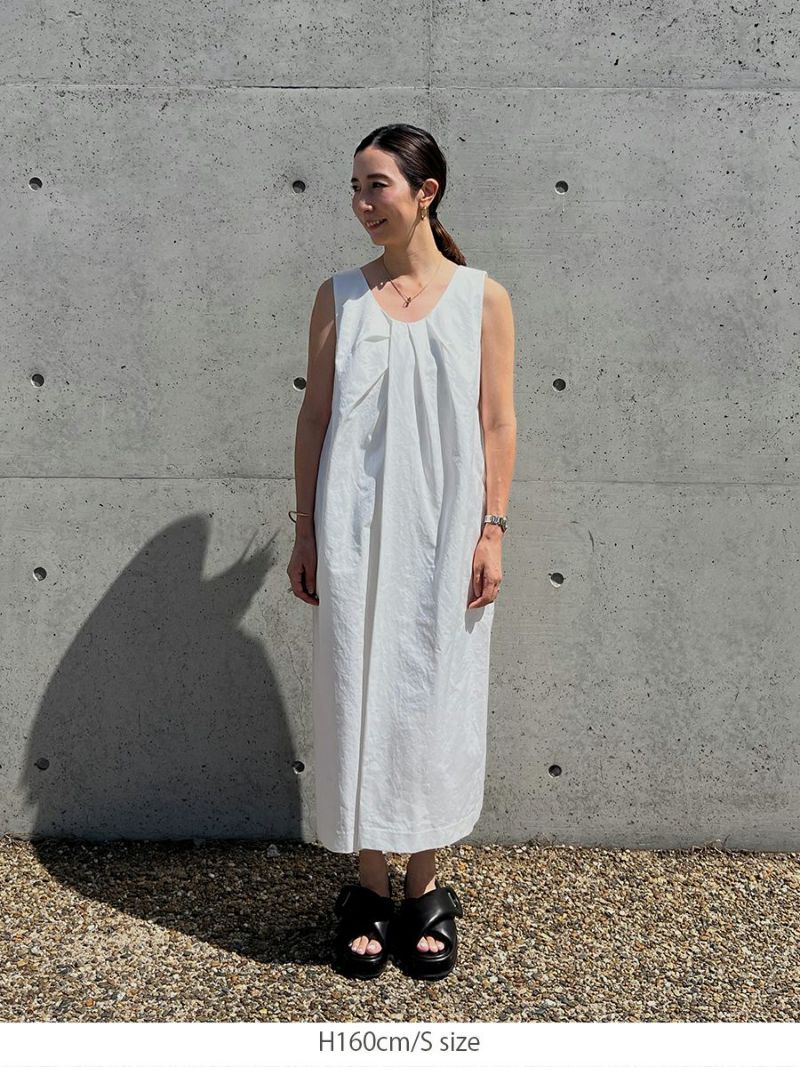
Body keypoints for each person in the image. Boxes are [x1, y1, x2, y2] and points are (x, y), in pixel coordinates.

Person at [287, 124, 516, 980]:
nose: (361, 203)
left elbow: (499, 421)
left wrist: (493, 528)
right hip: (352, 532)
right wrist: (306, 530)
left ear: (426, 192)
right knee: (358, 690)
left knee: (434, 697)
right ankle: (368, 884)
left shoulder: (483, 299)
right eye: (354, 186)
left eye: (376, 184)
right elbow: (315, 418)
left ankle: (422, 885)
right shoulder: (339, 297)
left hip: (447, 534)